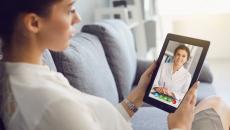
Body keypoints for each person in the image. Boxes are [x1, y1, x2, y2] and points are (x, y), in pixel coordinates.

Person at [0, 0, 229, 130]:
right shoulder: (52, 104)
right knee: (218, 105)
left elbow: (97, 121)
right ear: (33, 23)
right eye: (69, 9)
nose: (78, 18)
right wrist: (179, 127)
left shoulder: (21, 75)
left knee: (215, 103)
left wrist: (137, 97)